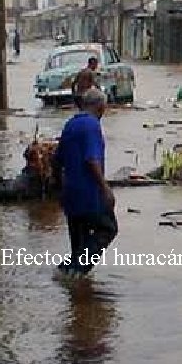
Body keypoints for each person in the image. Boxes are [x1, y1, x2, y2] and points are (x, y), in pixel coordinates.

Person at [53, 88, 117, 279]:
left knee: (79, 241)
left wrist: (59, 188)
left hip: (71, 194)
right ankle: (74, 270)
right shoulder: (92, 126)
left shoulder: (71, 124)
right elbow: (92, 160)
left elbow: (56, 160)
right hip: (89, 194)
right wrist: (105, 189)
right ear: (101, 106)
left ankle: (72, 288)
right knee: (107, 228)